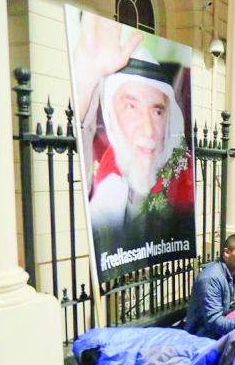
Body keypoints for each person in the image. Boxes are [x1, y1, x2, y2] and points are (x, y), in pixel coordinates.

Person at [73, 13, 193, 237]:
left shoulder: (181, 180)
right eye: (131, 107)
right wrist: (84, 87)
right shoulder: (105, 184)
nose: (148, 130)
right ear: (111, 120)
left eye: (157, 111)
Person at [185, 235, 235, 339]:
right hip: (205, 337)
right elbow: (214, 322)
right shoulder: (210, 278)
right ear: (227, 252)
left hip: (232, 329)